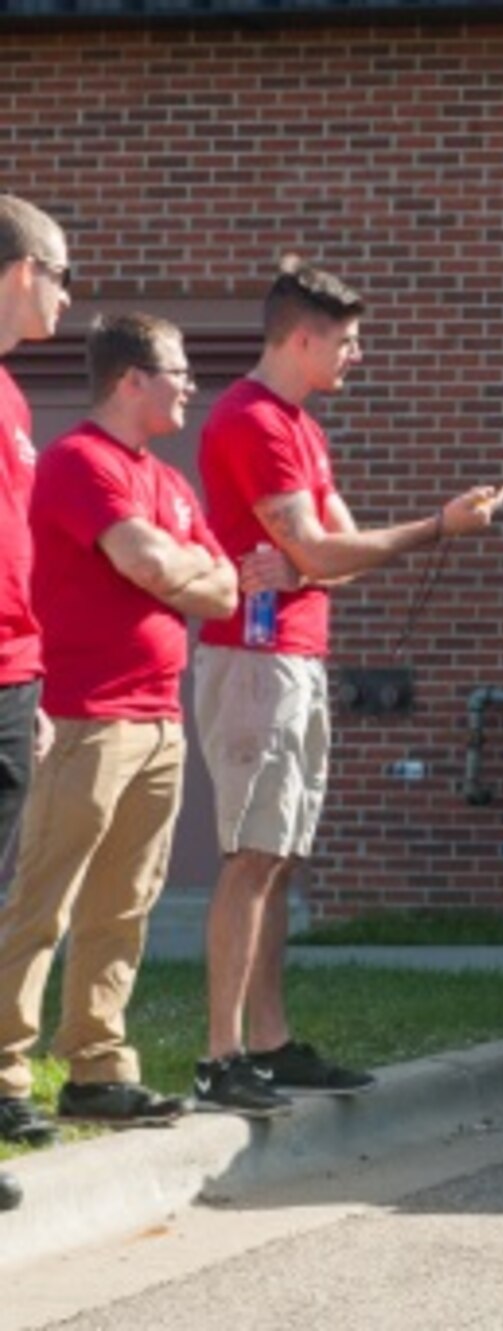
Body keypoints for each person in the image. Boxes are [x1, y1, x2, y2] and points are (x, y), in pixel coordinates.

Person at [192, 259, 503, 1117]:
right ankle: (221, 1057)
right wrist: (438, 526)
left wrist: (304, 572)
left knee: (278, 858)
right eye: (348, 340)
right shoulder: (253, 420)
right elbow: (332, 554)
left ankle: (269, 1043)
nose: (357, 356)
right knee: (250, 856)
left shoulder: (301, 427)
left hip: (293, 653)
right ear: (302, 338)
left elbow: (336, 557)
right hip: (253, 659)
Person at [0, 314, 240, 1134]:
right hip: (81, 718)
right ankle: (4, 1074)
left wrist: (178, 568)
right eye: (178, 370)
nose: (191, 386)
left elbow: (223, 590)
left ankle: (98, 1068)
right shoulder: (76, 463)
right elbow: (154, 564)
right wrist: (178, 568)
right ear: (131, 379)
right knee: (42, 901)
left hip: (159, 721)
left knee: (124, 905)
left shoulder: (169, 482)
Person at [0, 195, 72, 1155]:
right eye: (62, 273)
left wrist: (34, 683)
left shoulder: (12, 396)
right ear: (21, 271)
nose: (69, 293)